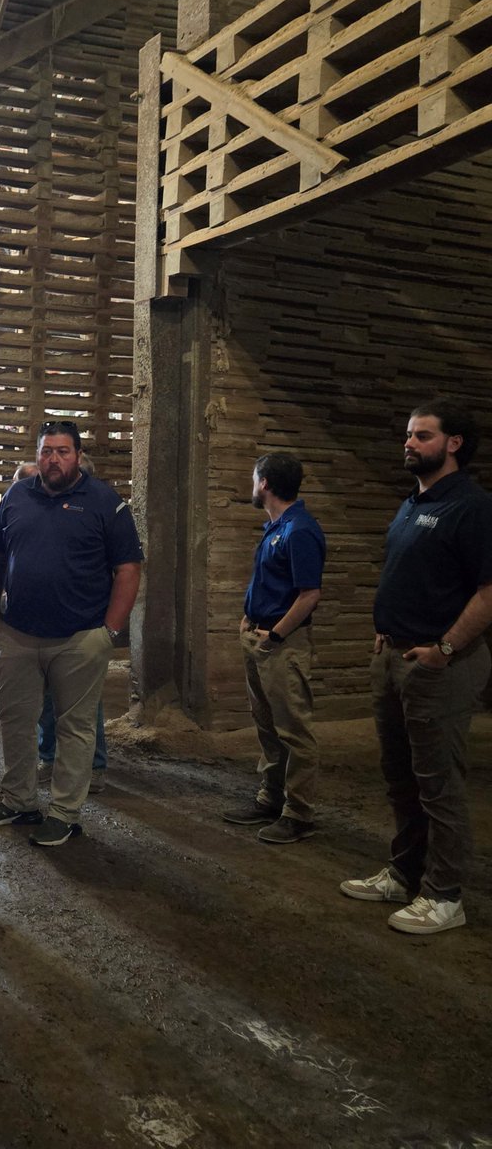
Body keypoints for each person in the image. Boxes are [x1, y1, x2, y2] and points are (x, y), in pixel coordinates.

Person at [341, 401, 492, 935]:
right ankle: (405, 873)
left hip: (439, 666)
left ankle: (446, 895)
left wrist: (445, 649)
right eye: (408, 434)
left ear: (453, 443)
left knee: (439, 784)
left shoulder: (472, 508)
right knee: (401, 778)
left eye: (422, 435)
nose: (409, 443)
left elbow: (488, 591)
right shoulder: (412, 503)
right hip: (394, 656)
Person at [0, 420, 142, 847]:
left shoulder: (105, 502)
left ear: (79, 456)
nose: (53, 459)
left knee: (75, 728)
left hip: (79, 637)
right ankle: (19, 801)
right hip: (17, 635)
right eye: (46, 451)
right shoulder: (16, 496)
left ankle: (65, 812)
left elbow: (128, 568)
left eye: (63, 451)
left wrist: (110, 631)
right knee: (15, 721)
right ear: (37, 455)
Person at [223, 453, 326, 844]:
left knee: (293, 730)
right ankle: (271, 798)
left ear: (264, 483)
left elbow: (309, 594)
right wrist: (249, 621)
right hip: (260, 637)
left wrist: (277, 634)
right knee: (267, 726)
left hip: (281, 645)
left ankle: (298, 813)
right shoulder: (277, 527)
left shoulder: (300, 530)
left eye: (253, 478)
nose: (252, 485)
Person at [12, 462, 110, 790]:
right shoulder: (34, 512)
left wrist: (107, 630)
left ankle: (90, 766)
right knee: (51, 700)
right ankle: (52, 757)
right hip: (37, 626)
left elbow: (121, 568)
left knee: (80, 704)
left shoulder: (95, 512)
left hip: (79, 625)